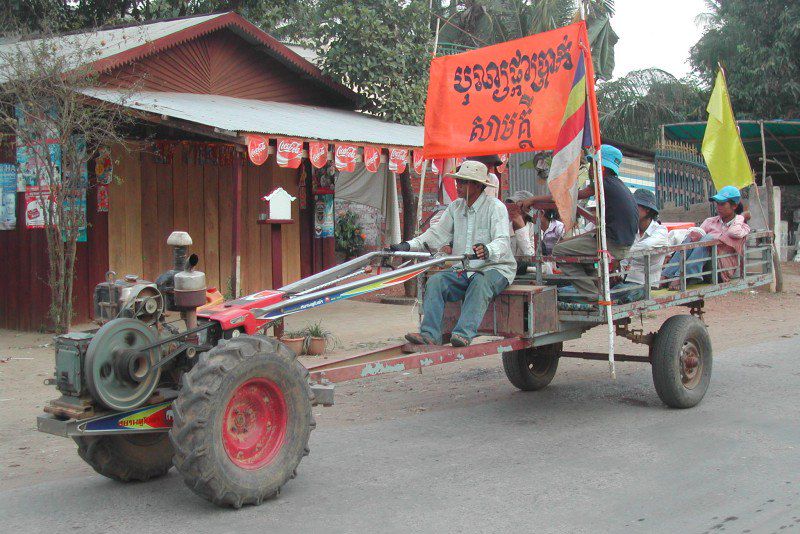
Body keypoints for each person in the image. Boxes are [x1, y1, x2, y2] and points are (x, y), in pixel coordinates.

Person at [389, 160, 516, 347]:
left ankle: (463, 333)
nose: (459, 185)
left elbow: (503, 241)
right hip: (464, 268)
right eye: (459, 181)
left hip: (496, 268)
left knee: (480, 283)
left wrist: (488, 249)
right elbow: (436, 235)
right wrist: (408, 246)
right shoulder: (455, 207)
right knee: (436, 281)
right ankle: (430, 334)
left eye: (464, 182)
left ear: (477, 185)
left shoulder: (495, 207)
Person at [518, 144, 639, 301]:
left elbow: (565, 197)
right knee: (568, 245)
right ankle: (598, 290)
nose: (589, 169)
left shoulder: (604, 183)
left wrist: (533, 199)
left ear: (600, 168)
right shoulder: (615, 184)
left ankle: (593, 297)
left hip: (613, 244)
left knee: (559, 252)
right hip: (617, 241)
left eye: (592, 164)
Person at [662, 185, 750, 289]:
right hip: (702, 267)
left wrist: (741, 216)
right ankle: (666, 276)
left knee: (709, 238)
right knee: (693, 236)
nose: (718, 207)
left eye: (722, 204)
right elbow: (695, 239)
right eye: (717, 204)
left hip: (720, 270)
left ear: (734, 206)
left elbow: (733, 232)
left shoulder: (743, 228)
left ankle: (683, 277)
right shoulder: (710, 221)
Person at [622, 189, 669, 290]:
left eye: (635, 206)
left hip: (647, 284)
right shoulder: (632, 230)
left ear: (647, 210)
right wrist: (619, 273)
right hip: (628, 280)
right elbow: (624, 261)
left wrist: (621, 253)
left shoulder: (660, 231)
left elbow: (646, 246)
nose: (631, 209)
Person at [505, 190, 535, 256]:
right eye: (511, 204)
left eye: (516, 205)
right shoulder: (505, 226)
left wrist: (521, 228)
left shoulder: (535, 230)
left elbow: (530, 254)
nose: (511, 209)